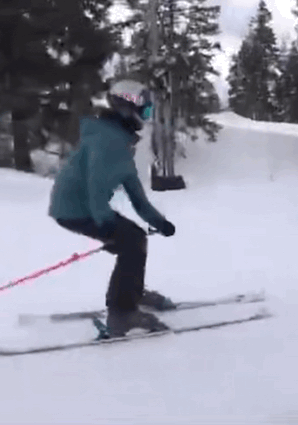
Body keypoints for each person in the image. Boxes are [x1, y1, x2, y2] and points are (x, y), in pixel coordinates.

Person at [48, 79, 176, 337]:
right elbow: (95, 185)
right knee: (132, 241)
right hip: (74, 208)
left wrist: (159, 222)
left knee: (134, 239)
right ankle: (122, 313)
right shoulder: (107, 140)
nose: (146, 116)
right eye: (145, 109)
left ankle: (131, 293)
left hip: (85, 207)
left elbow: (136, 196)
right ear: (127, 108)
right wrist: (104, 222)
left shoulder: (119, 142)